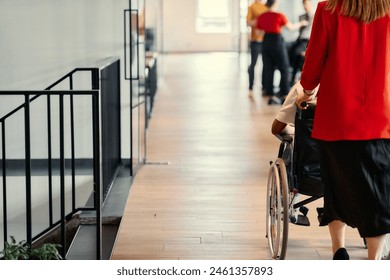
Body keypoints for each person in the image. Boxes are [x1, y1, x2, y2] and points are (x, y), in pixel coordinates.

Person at [296, 0, 390, 260]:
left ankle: (339, 247)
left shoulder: (328, 9)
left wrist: (305, 90)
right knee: (378, 189)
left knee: (336, 183)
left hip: (336, 114)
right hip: (382, 115)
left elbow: (314, 57)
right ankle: (373, 259)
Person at [256, 0, 308, 105]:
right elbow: (291, 28)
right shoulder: (279, 15)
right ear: (275, 3)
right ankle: (284, 93)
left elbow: (258, 31)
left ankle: (269, 93)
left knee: (268, 68)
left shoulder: (262, 16)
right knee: (284, 67)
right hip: (276, 41)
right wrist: (301, 23)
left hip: (266, 42)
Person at [289, 0, 314, 85]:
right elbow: (300, 31)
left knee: (297, 53)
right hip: (300, 40)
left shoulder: (315, 16)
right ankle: (292, 76)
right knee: (290, 51)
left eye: (306, 4)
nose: (305, 6)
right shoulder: (301, 17)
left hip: (308, 41)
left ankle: (293, 78)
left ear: (310, 4)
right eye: (303, 5)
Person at [246, 0, 268, 99]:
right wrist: (260, 21)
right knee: (253, 64)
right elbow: (248, 22)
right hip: (255, 41)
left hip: (266, 40)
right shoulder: (252, 7)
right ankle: (250, 87)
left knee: (266, 64)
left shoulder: (266, 7)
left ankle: (264, 87)